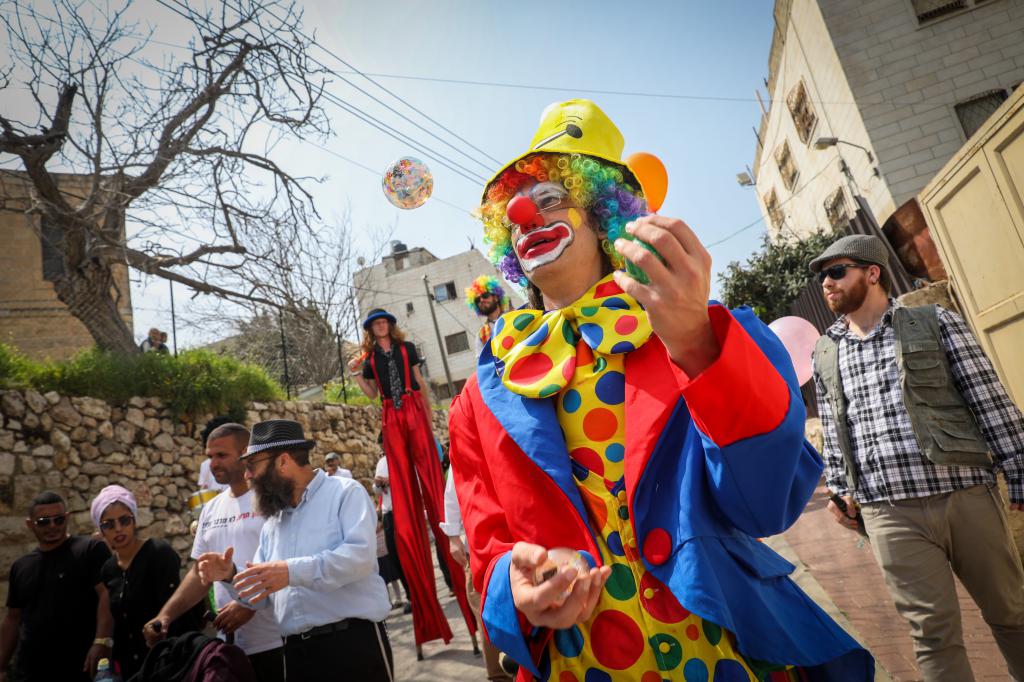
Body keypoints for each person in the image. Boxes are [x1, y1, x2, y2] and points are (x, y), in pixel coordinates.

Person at [449, 99, 873, 680]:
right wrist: (516, 589)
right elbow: (489, 549)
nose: (527, 215)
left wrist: (699, 346)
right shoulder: (478, 396)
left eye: (551, 200)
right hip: (583, 663)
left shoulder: (696, 329)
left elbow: (765, 501)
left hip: (721, 644)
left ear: (602, 216)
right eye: (515, 215)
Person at [810, 234, 1024, 681]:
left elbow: (987, 396)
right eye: (822, 276)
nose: (826, 284)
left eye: (836, 271)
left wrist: (1018, 468)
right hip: (888, 513)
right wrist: (840, 488)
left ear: (872, 272)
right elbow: (833, 424)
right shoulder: (827, 349)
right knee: (931, 635)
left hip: (964, 494)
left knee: (1012, 613)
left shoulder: (933, 321)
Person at [195, 419, 395, 681]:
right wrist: (230, 574)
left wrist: (289, 572)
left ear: (283, 462)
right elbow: (262, 594)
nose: (247, 476)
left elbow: (358, 559)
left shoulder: (345, 493)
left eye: (252, 465)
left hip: (352, 645)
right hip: (296, 653)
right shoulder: (273, 521)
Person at [349, 309, 476, 652]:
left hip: (413, 409)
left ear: (389, 325)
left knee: (432, 485)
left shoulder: (407, 350)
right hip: (391, 412)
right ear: (370, 330)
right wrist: (357, 377)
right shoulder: (371, 359)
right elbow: (373, 395)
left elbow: (418, 381)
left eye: (384, 322)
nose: (381, 326)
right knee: (405, 500)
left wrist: (429, 415)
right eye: (375, 324)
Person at [143, 423, 284, 682]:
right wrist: (166, 615)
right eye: (209, 457)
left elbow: (286, 564)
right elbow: (200, 573)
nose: (213, 463)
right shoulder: (211, 509)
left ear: (245, 453)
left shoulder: (274, 501)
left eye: (221, 455)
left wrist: (247, 605)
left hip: (278, 640)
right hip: (229, 647)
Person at [0, 491, 112, 682]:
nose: (52, 526)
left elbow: (107, 595)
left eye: (58, 520)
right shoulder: (21, 566)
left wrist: (102, 641)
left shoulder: (89, 550)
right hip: (29, 671)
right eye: (43, 521)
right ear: (30, 524)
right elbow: (13, 619)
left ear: (67, 518)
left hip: (79, 668)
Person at [92, 485, 200, 680]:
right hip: (132, 669)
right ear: (101, 530)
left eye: (124, 520)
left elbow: (177, 613)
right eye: (109, 524)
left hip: (171, 663)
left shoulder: (159, 553)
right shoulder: (108, 569)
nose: (118, 528)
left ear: (134, 521)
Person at [441, 471, 508, 681]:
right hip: (478, 551)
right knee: (486, 613)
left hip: (513, 541)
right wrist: (453, 537)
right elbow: (453, 492)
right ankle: (499, 675)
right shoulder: (463, 444)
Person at [373, 453, 411, 614]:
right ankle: (410, 596)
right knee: (396, 558)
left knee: (409, 556)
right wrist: (378, 484)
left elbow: (410, 481)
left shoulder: (403, 457)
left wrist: (392, 481)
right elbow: (376, 491)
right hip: (389, 514)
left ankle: (417, 594)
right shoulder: (381, 462)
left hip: (404, 510)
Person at [465, 275, 511, 355]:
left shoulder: (513, 317)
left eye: (485, 295)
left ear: (496, 297)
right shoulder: (480, 335)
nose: (481, 300)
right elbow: (483, 364)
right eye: (477, 300)